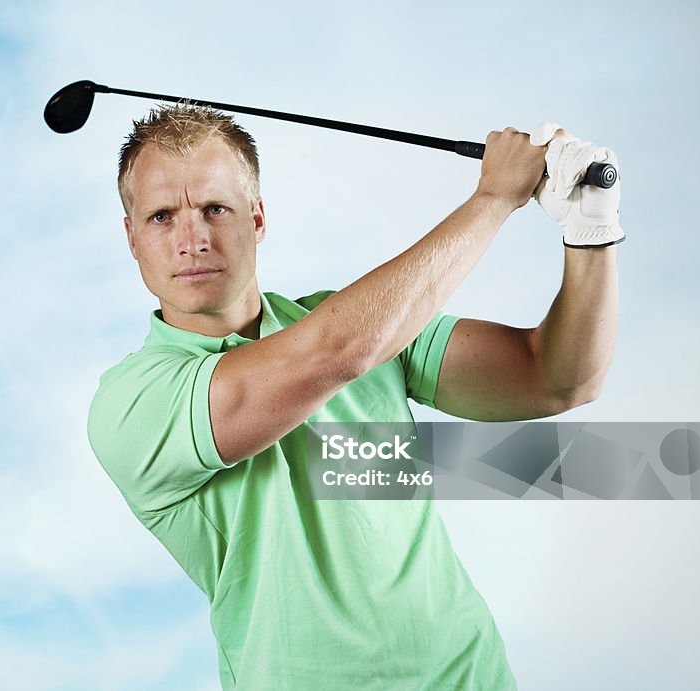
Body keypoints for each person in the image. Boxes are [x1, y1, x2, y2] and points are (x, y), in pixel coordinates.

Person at [87, 104, 621, 690]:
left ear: (257, 218)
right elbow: (333, 354)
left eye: (216, 208)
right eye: (162, 216)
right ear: (132, 238)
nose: (193, 238)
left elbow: (557, 378)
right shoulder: (128, 404)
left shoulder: (361, 321)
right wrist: (493, 198)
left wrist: (590, 231)